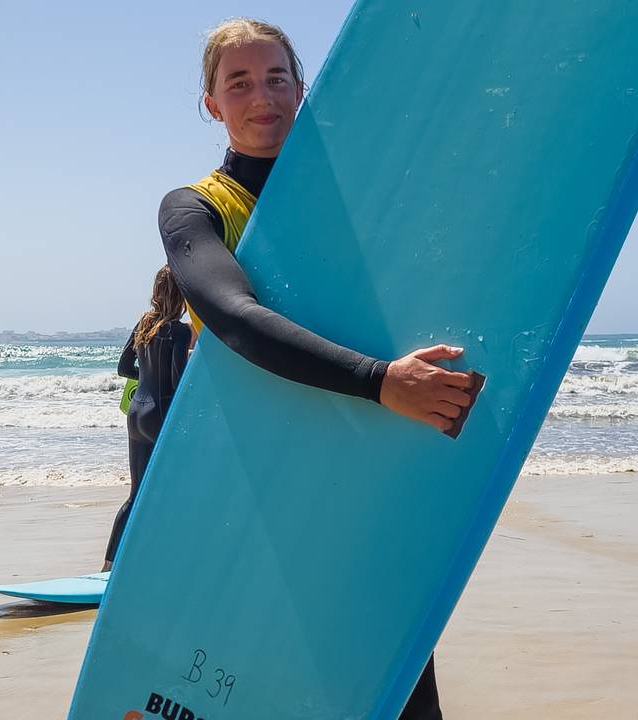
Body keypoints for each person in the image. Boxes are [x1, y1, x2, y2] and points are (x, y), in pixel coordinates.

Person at [158, 18, 480, 719]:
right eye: (238, 82)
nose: (261, 95)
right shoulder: (197, 209)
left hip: (372, 469)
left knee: (400, 677)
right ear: (210, 103)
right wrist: (380, 381)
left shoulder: (364, 203)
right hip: (263, 483)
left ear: (303, 89)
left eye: (277, 77)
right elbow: (236, 319)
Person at [104, 266, 192, 571]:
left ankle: (108, 566)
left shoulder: (144, 324)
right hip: (161, 413)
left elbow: (124, 369)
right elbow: (179, 380)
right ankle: (168, 561)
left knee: (135, 495)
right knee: (174, 489)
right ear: (181, 293)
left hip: (137, 413)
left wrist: (148, 378)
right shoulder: (179, 331)